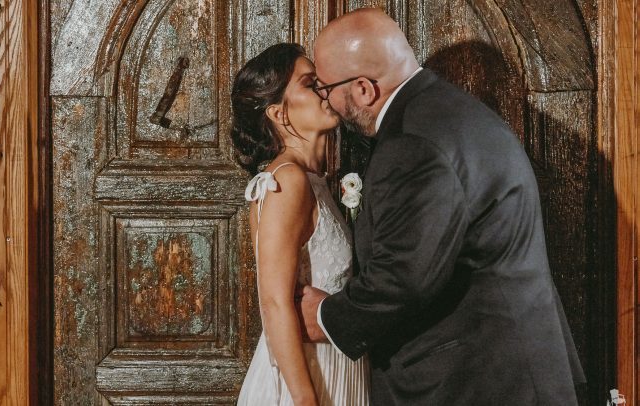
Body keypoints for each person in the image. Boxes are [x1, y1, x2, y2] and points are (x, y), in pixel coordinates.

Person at [297, 8, 586, 405]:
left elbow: (404, 275)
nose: (325, 100)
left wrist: (326, 318)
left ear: (364, 89)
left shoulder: (412, 143)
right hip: (509, 367)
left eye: (326, 88)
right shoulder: (448, 111)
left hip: (478, 380)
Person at [230, 43, 370, 406]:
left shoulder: (314, 180)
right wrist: (306, 400)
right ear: (279, 113)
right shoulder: (286, 182)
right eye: (310, 84)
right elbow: (275, 303)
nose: (325, 90)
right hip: (308, 376)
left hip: (338, 365)